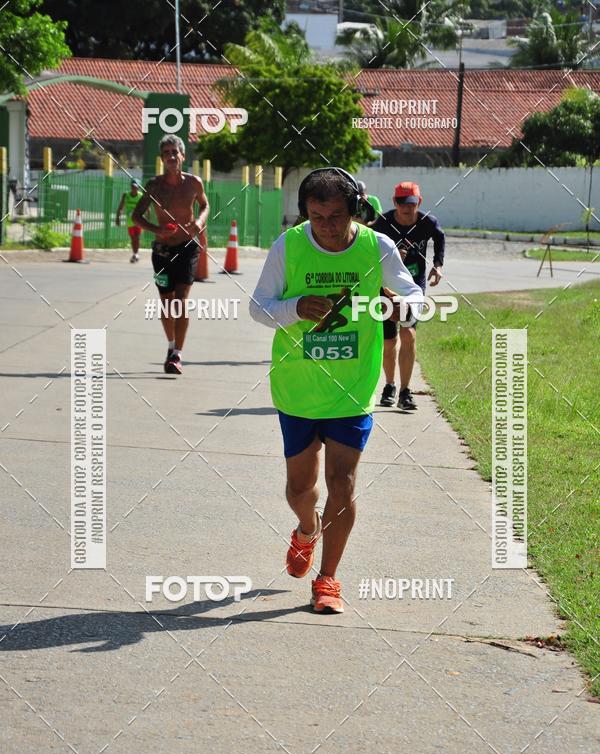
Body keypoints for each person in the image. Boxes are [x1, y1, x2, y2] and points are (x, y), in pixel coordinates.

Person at [251, 168, 423, 613]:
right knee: (299, 488)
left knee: (342, 484)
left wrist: (401, 305)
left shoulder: (376, 246)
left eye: (337, 215)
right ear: (304, 211)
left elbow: (414, 296)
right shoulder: (288, 247)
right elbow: (259, 307)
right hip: (298, 387)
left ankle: (327, 581)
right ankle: (307, 531)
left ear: (355, 211)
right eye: (316, 215)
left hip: (352, 387)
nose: (326, 225)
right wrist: (294, 308)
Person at [132, 135, 209, 375]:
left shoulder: (194, 183)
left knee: (181, 302)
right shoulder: (154, 186)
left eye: (175, 152)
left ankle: (177, 354)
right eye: (166, 153)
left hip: (187, 247)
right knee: (166, 304)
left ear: (182, 156)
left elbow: (205, 205)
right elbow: (137, 216)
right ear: (162, 159)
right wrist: (157, 230)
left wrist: (199, 222)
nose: (171, 156)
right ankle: (170, 346)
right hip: (162, 251)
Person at [371, 181, 445, 411]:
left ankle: (405, 390)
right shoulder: (382, 224)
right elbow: (367, 250)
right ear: (395, 202)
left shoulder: (427, 223)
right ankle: (389, 386)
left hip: (414, 286)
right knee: (388, 340)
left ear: (418, 202)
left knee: (408, 334)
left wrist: (438, 265)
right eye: (401, 202)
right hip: (386, 286)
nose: (406, 208)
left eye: (411, 203)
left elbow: (439, 237)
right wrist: (391, 259)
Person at [116, 180, 143, 262]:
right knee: (133, 238)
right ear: (131, 186)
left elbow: (147, 208)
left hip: (139, 220)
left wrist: (147, 220)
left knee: (137, 238)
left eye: (135, 187)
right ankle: (135, 253)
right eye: (132, 186)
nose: (134, 188)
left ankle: (136, 254)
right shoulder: (126, 195)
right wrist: (118, 217)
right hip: (130, 221)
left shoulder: (141, 196)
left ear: (138, 187)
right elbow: (121, 207)